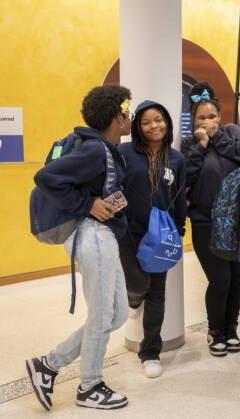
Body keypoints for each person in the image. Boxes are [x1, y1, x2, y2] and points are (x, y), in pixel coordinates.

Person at [26, 85, 132, 410]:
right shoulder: (94, 151)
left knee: (117, 314)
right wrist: (88, 204)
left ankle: (49, 364)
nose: (131, 116)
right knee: (102, 315)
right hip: (92, 237)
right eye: (127, 110)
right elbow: (45, 178)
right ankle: (90, 387)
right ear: (118, 116)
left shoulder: (101, 148)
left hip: (101, 236)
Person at [181, 82, 240, 356]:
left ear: (220, 118)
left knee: (236, 278)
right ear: (193, 120)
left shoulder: (233, 135)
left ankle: (230, 329)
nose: (208, 122)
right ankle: (215, 330)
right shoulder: (189, 144)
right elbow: (186, 176)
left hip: (236, 222)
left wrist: (217, 138)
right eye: (202, 118)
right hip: (204, 222)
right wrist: (201, 145)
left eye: (212, 116)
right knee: (220, 278)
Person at [117, 100, 187, 378]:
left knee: (157, 293)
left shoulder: (177, 159)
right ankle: (134, 300)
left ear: (167, 123)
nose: (154, 126)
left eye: (159, 120)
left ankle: (150, 353)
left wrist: (179, 230)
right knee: (137, 283)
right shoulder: (123, 152)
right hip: (128, 231)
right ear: (137, 126)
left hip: (161, 236)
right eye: (146, 122)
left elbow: (179, 196)